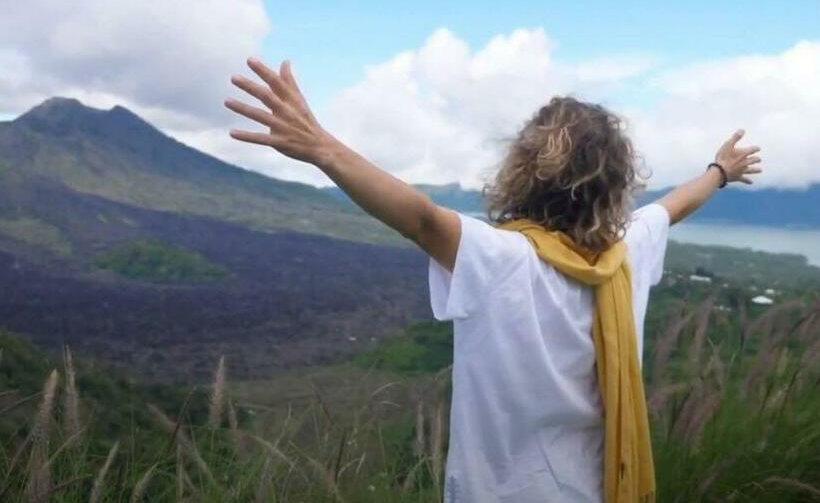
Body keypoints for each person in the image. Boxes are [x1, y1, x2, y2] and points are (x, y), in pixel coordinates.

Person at [224, 57, 762, 503]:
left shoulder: (500, 258)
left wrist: (322, 148)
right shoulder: (626, 257)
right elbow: (673, 206)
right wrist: (719, 171)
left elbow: (421, 219)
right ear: (617, 186)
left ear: (523, 171)